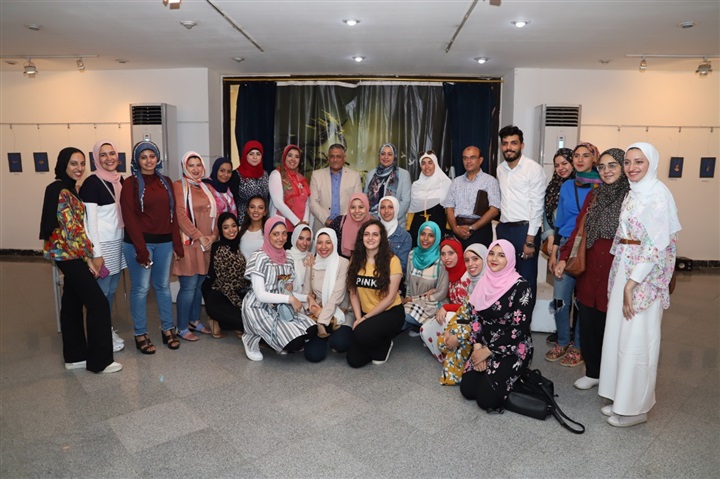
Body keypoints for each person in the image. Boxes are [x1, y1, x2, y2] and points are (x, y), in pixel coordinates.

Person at [598, 142, 680, 428]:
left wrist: (632, 284)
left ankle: (635, 408)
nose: (632, 168)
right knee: (619, 336)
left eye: (639, 162)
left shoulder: (658, 195)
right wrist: (621, 278)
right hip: (625, 267)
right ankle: (620, 398)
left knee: (637, 341)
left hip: (644, 277)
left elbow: (657, 246)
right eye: (629, 162)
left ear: (651, 163)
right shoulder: (634, 192)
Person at [40, 147, 122, 373]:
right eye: (73, 163)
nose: (79, 168)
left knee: (72, 303)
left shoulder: (69, 189)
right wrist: (89, 259)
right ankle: (100, 362)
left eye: (82, 163)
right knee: (98, 304)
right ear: (63, 165)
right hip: (68, 255)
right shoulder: (60, 190)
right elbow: (72, 230)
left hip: (70, 253)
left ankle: (75, 356)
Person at [555, 148, 630, 390]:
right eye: (603, 167)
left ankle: (615, 377)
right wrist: (564, 257)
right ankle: (593, 372)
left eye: (613, 165)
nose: (606, 171)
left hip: (614, 269)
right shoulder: (594, 196)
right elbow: (578, 230)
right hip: (589, 269)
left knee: (612, 323)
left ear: (623, 168)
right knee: (588, 320)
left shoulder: (631, 197)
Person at [121, 140, 183, 354]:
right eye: (143, 157)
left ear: (158, 158)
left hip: (164, 243)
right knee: (140, 289)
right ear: (136, 160)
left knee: (163, 286)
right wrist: (141, 249)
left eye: (152, 156)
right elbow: (129, 218)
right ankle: (140, 333)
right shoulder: (130, 184)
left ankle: (168, 329)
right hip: (139, 243)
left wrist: (177, 244)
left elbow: (172, 215)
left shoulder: (165, 181)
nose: (148, 161)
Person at [459, 240, 534, 410]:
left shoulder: (521, 288)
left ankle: (516, 378)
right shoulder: (483, 282)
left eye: (501, 255)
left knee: (486, 400)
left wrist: (487, 352)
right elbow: (475, 318)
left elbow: (518, 329)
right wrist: (477, 348)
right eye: (492, 254)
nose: (494, 259)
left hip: (512, 347)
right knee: (468, 390)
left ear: (510, 259)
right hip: (484, 343)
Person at [545, 142, 601, 367]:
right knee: (560, 298)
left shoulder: (601, 185)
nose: (579, 160)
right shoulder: (567, 186)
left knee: (583, 301)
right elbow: (560, 222)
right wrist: (554, 253)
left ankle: (578, 347)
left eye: (585, 156)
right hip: (567, 245)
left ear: (594, 159)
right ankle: (562, 341)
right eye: (576, 156)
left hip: (590, 247)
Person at [240, 217, 315, 361]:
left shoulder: (288, 259)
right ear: (267, 235)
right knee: (295, 343)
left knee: (311, 330)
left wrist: (307, 298)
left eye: (284, 233)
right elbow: (260, 295)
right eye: (276, 234)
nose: (281, 238)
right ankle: (250, 339)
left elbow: (286, 291)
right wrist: (290, 299)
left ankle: (277, 341)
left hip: (279, 307)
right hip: (258, 307)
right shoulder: (259, 258)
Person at [79, 139, 127, 353]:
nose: (109, 158)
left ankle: (105, 328)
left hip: (118, 243)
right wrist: (96, 254)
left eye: (112, 153)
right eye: (103, 155)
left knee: (111, 291)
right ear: (96, 159)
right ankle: (101, 333)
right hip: (103, 246)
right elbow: (90, 223)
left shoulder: (119, 180)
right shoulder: (91, 183)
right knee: (101, 293)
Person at [495, 126, 547, 308]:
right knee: (504, 277)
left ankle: (524, 322)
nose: (509, 147)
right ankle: (507, 319)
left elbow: (537, 206)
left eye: (513, 143)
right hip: (504, 230)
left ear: (522, 145)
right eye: (505, 144)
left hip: (525, 231)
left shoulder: (533, 169)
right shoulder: (500, 169)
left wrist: (530, 240)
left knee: (525, 280)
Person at [422, 243, 487, 385]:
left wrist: (458, 337)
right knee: (440, 339)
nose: (471, 264)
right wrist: (450, 330)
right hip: (468, 325)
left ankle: (467, 360)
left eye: (475, 259)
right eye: (467, 260)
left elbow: (482, 320)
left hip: (487, 338)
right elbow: (465, 310)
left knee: (453, 338)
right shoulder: (465, 277)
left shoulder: (483, 283)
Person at [345, 220, 405, 367]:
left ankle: (385, 342)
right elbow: (353, 293)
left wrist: (364, 319)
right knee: (354, 361)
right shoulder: (355, 260)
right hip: (366, 313)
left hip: (390, 312)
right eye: (366, 234)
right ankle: (376, 338)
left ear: (381, 237)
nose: (370, 238)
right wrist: (359, 319)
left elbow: (390, 298)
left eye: (375, 234)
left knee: (361, 333)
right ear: (362, 237)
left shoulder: (392, 261)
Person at [172, 151, 218, 341]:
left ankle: (194, 320)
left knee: (198, 284)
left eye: (198, 164)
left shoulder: (206, 187)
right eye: (191, 165)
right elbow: (180, 215)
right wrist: (199, 236)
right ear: (184, 167)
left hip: (206, 244)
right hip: (190, 243)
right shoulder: (178, 186)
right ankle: (181, 327)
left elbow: (216, 214)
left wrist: (213, 236)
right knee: (189, 285)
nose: (196, 169)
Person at [302, 228, 354, 362]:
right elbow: (306, 292)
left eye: (328, 242)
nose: (323, 247)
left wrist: (322, 320)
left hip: (340, 312)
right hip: (317, 312)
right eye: (319, 243)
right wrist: (314, 309)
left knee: (340, 344)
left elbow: (337, 296)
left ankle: (329, 333)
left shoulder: (343, 263)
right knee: (313, 355)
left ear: (334, 243)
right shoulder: (312, 263)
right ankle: (326, 334)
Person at [201, 212, 250, 338]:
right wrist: (241, 305)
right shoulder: (220, 249)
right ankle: (214, 319)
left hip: (235, 294)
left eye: (233, 226)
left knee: (252, 317)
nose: (231, 230)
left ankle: (230, 323)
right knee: (248, 321)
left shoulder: (237, 246)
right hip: (220, 297)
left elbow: (241, 277)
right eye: (226, 227)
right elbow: (225, 285)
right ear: (221, 230)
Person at [443, 146, 500, 249]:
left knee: (478, 259)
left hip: (480, 230)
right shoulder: (456, 182)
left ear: (480, 160)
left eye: (472, 157)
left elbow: (494, 210)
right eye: (465, 158)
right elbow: (449, 207)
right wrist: (455, 229)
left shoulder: (490, 181)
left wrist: (472, 228)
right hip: (457, 229)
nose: (468, 161)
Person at [402, 221, 449, 334]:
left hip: (431, 305)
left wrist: (412, 300)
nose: (425, 238)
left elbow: (441, 293)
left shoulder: (441, 259)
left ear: (437, 238)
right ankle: (423, 327)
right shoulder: (412, 254)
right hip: (413, 303)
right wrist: (407, 299)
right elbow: (408, 283)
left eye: (431, 235)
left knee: (402, 315)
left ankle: (428, 326)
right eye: (423, 234)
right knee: (395, 317)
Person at [309, 143, 362, 232]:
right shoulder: (316, 175)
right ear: (328, 158)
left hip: (347, 226)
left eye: (338, 156)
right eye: (332, 156)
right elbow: (313, 202)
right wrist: (326, 220)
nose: (335, 160)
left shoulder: (354, 176)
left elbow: (357, 202)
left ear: (344, 158)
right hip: (322, 225)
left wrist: (342, 221)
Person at [268, 144, 310, 245]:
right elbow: (278, 203)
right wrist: (297, 222)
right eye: (290, 155)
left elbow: (307, 201)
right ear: (284, 157)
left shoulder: (301, 178)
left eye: (297, 157)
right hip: (283, 227)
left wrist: (304, 222)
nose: (293, 159)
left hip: (300, 229)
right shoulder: (276, 174)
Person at [408, 150, 452, 243]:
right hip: (418, 226)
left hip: (438, 224)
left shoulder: (445, 183)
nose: (427, 166)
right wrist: (408, 228)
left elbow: (450, 208)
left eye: (430, 163)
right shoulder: (416, 185)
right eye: (423, 163)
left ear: (435, 164)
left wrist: (448, 229)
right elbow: (412, 209)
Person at [364, 143, 412, 228]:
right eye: (383, 154)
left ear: (394, 156)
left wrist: (389, 217)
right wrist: (370, 217)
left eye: (389, 154)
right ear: (379, 156)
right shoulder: (371, 174)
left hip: (396, 224)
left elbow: (405, 201)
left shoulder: (404, 174)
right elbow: (365, 199)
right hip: (373, 222)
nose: (386, 157)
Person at [541, 148, 575, 256]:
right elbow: (547, 213)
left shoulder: (580, 186)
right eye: (557, 165)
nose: (560, 168)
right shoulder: (553, 187)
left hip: (575, 240)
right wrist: (550, 235)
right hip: (556, 240)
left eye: (564, 163)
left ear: (573, 163)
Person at [230, 140, 269, 224]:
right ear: (245, 155)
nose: (255, 157)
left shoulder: (265, 174)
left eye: (258, 154)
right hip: (243, 222)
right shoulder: (236, 175)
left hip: (262, 222)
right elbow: (232, 202)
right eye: (251, 154)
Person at [329, 192, 373, 258]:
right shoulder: (338, 222)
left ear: (367, 207)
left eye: (361, 207)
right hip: (340, 263)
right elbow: (326, 244)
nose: (356, 211)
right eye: (353, 207)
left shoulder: (373, 226)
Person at [379, 195, 412, 274]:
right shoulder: (372, 232)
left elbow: (402, 266)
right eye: (382, 207)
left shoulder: (405, 237)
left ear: (396, 209)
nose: (386, 211)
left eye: (390, 207)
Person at [287, 223, 313, 301]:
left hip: (309, 300)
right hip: (290, 299)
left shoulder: (312, 258)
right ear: (295, 238)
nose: (304, 243)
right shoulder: (285, 257)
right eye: (301, 238)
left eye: (308, 239)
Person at [238, 195, 267, 261]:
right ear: (248, 210)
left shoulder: (269, 232)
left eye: (260, 208)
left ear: (265, 212)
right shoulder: (239, 230)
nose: (256, 210)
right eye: (252, 207)